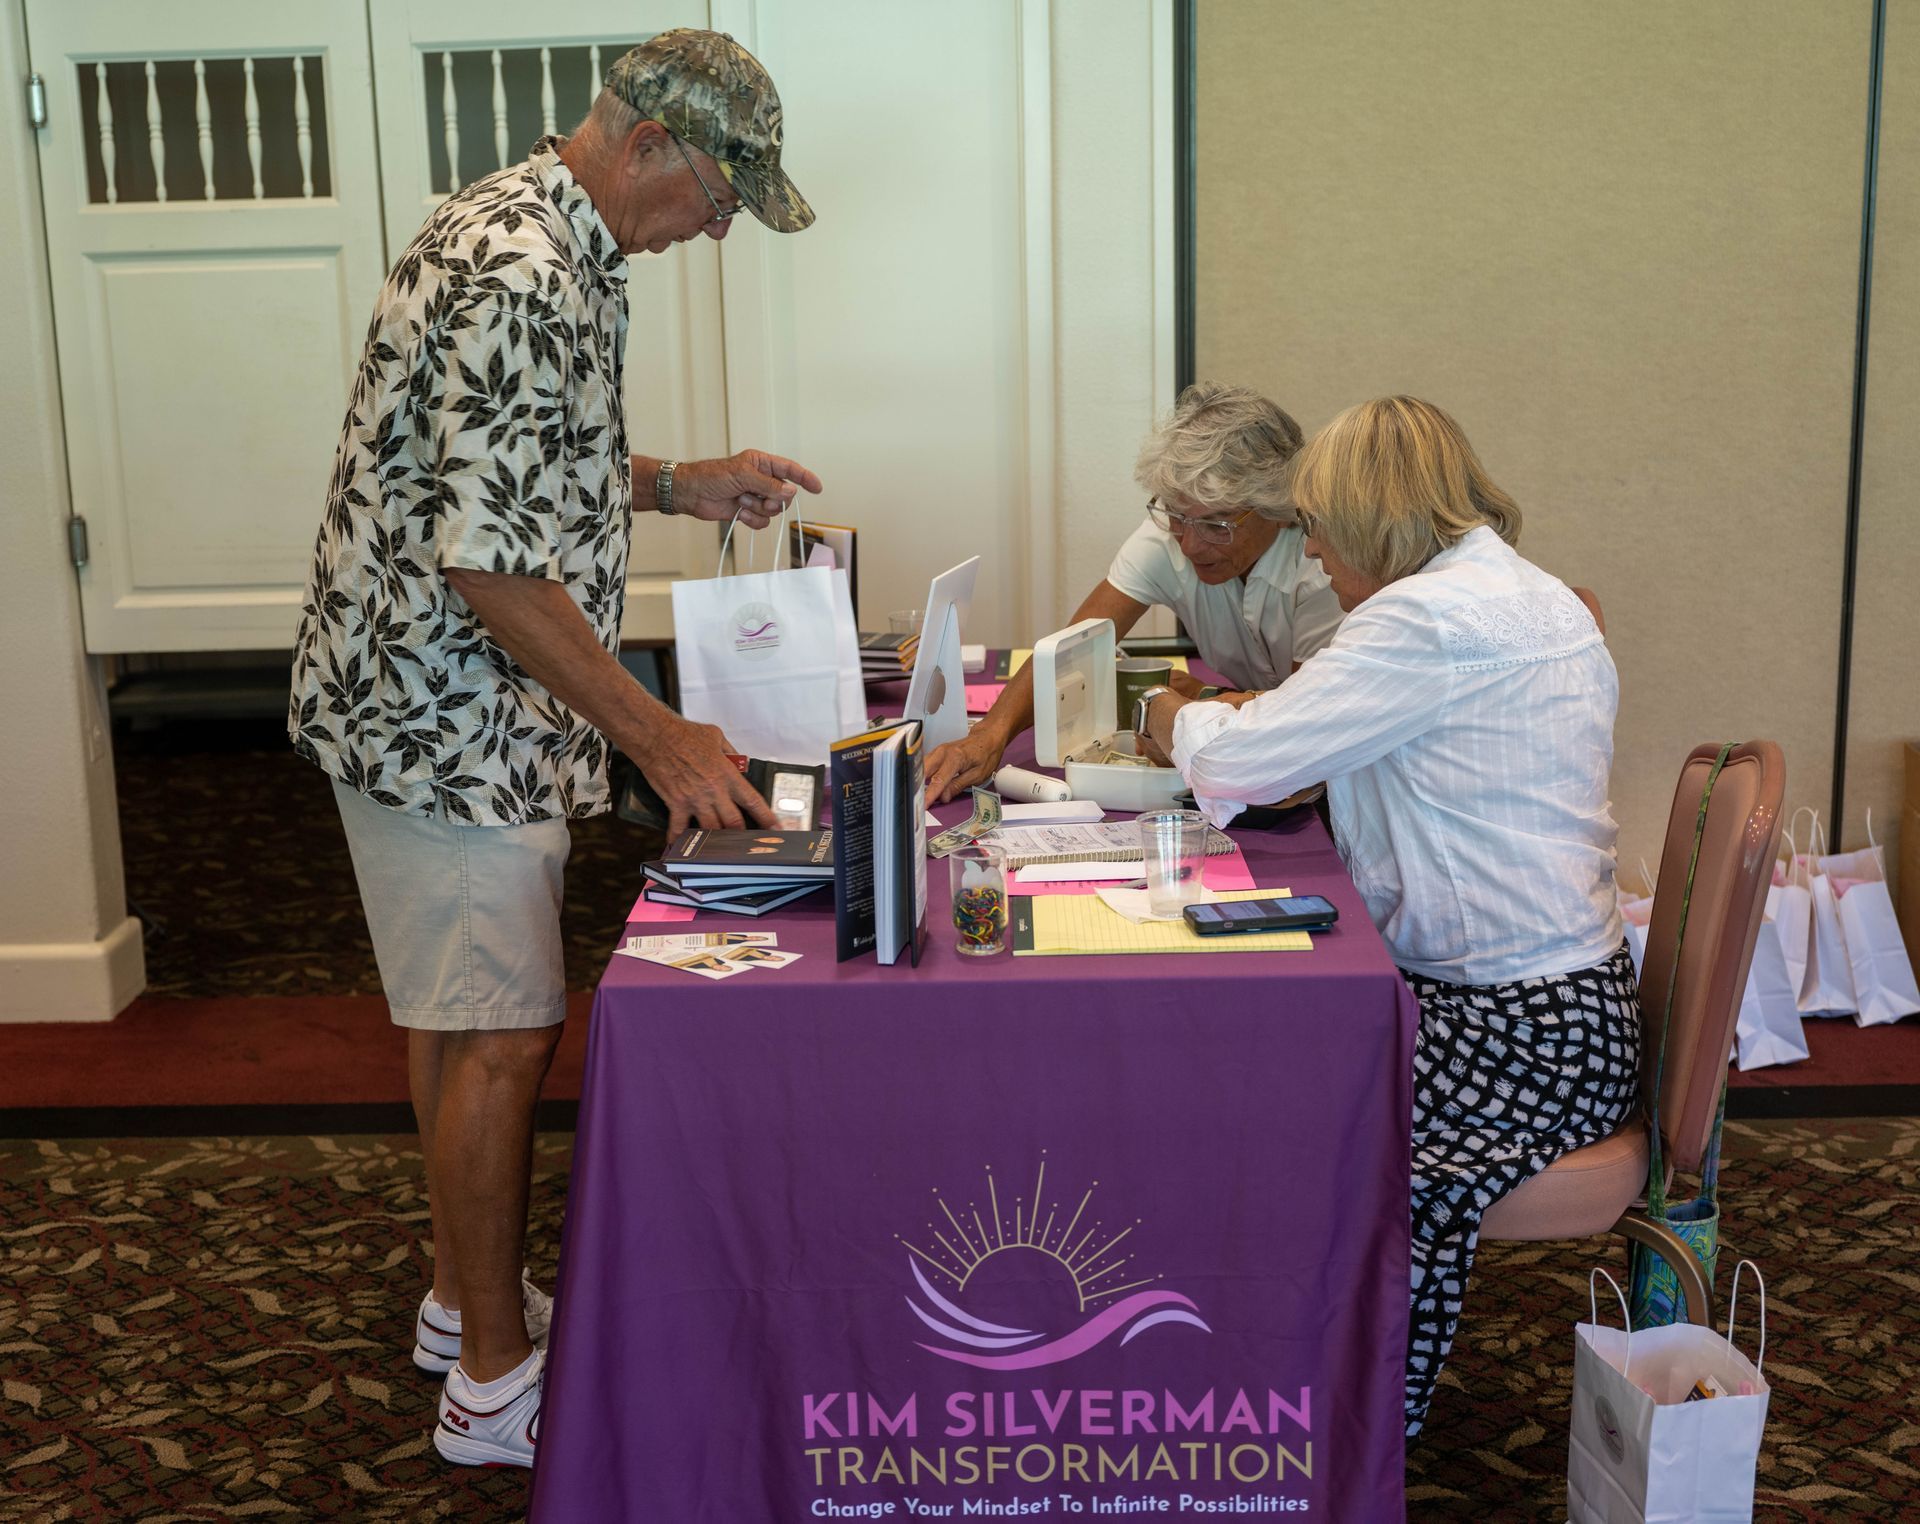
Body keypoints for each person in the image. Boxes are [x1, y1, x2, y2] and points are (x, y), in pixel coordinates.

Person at [287, 29, 819, 1468]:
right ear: (648, 144)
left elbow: (510, 455)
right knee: (503, 1033)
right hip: (447, 713)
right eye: (719, 196)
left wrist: (676, 480)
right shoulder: (528, 266)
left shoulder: (531, 226)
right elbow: (492, 561)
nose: (717, 228)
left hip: (424, 695)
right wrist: (660, 735)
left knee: (456, 1014)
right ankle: (496, 1395)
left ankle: (465, 1309)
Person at [1137, 396, 1637, 1438]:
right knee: (1262, 1064)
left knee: (1259, 1117)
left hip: (1514, 1039)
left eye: (1319, 526)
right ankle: (1285, 1401)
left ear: (1368, 523)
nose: (1312, 552)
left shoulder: (1422, 620)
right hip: (1576, 1017)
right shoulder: (1520, 592)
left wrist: (1169, 714)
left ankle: (1308, 1428)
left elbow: (1240, 761)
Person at [923, 383, 1343, 802]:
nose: (1189, 544)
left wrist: (1205, 702)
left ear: (1275, 507)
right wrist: (990, 734)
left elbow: (1303, 719)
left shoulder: (1321, 562)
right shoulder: (1164, 537)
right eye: (1177, 516)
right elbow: (1071, 645)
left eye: (1218, 525)